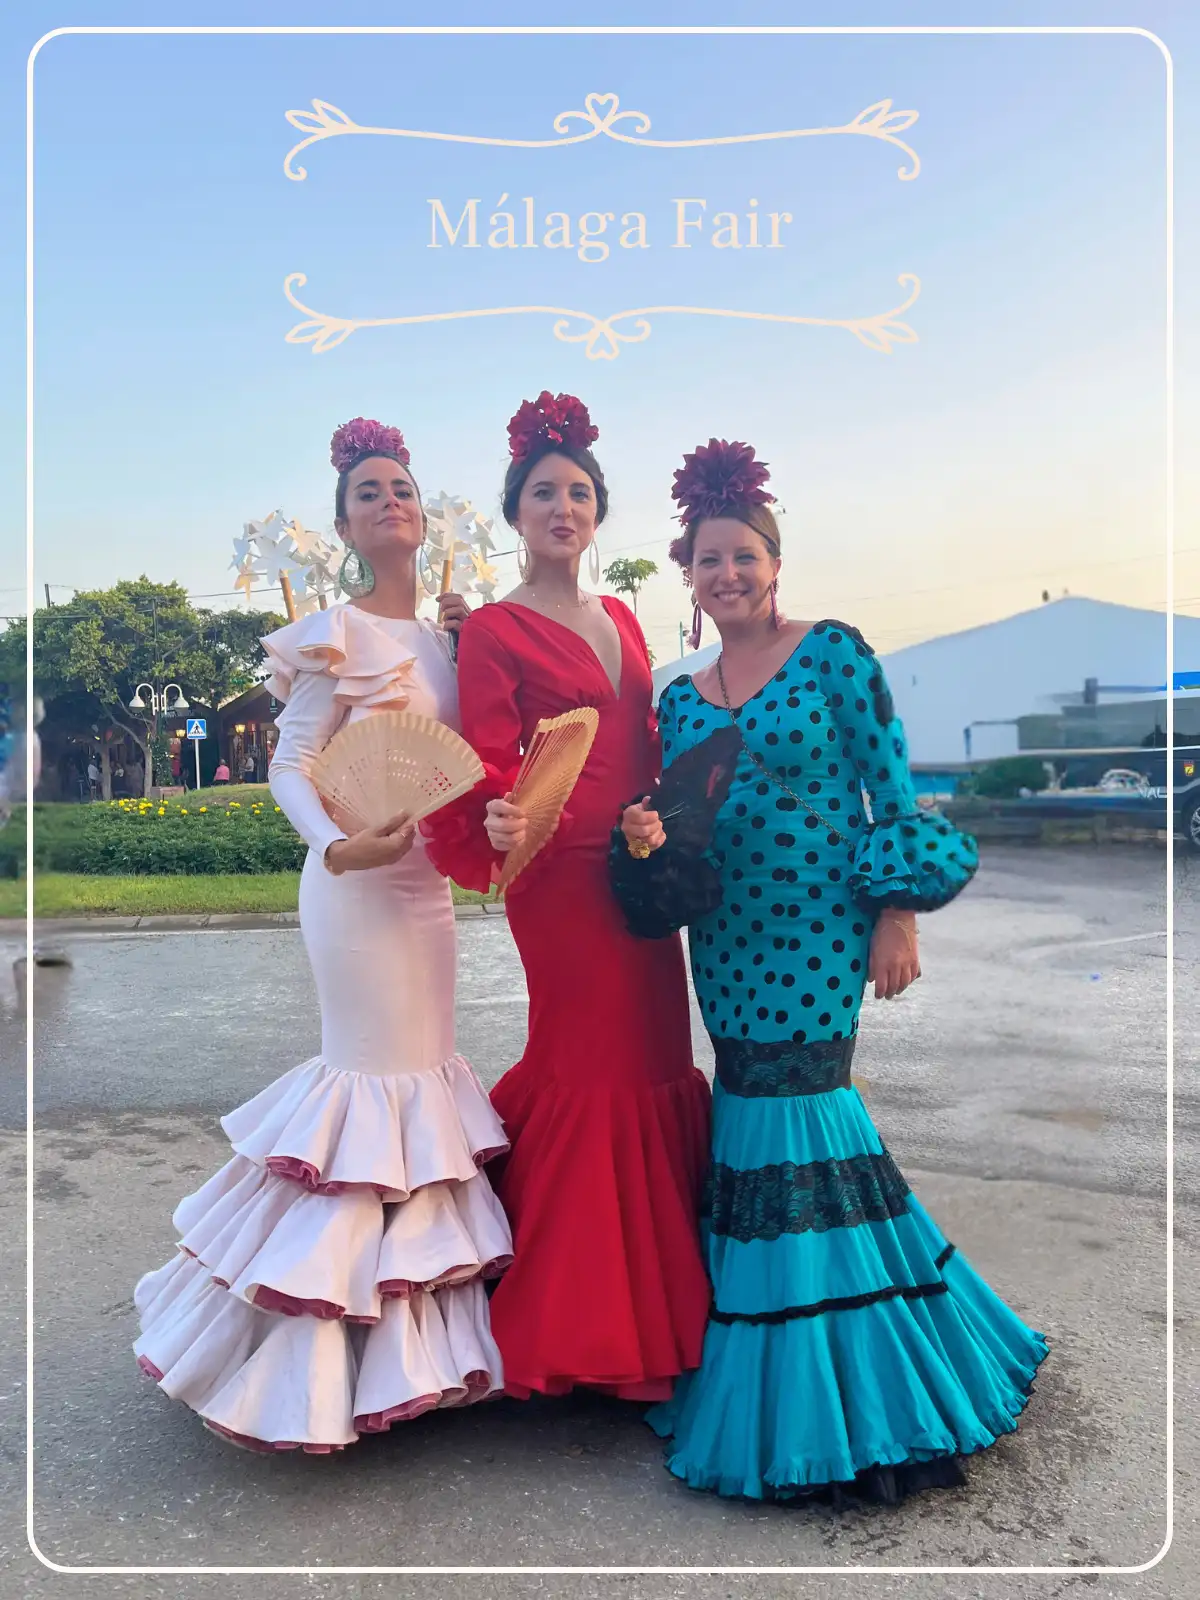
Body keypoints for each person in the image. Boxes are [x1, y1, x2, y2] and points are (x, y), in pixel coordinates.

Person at [617, 438, 1048, 1503]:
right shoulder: (680, 698)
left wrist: (895, 913)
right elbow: (679, 827)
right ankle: (764, 1374)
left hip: (818, 936)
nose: (728, 575)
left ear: (774, 561)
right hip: (725, 944)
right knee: (749, 1124)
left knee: (809, 1119)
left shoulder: (835, 653)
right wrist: (646, 836)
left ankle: (869, 1384)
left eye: (744, 556)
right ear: (689, 575)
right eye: (708, 560)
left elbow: (888, 787)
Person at [133, 418, 512, 1452]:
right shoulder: (335, 634)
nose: (390, 501)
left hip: (427, 890)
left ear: (422, 514)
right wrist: (333, 847)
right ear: (346, 526)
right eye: (368, 492)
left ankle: (416, 1357)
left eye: (402, 487)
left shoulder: (450, 637)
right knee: (367, 1099)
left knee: (425, 1087)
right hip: (351, 889)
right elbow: (293, 763)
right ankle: (301, 1366)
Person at [425, 392, 711, 1403]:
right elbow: (491, 759)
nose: (564, 505)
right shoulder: (494, 631)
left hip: (638, 868)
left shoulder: (625, 615)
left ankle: (655, 1307)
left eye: (580, 492)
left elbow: (652, 740)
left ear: (597, 514)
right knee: (586, 1063)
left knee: (655, 1056)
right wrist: (502, 814)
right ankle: (568, 1320)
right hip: (555, 875)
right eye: (544, 490)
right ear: (517, 511)